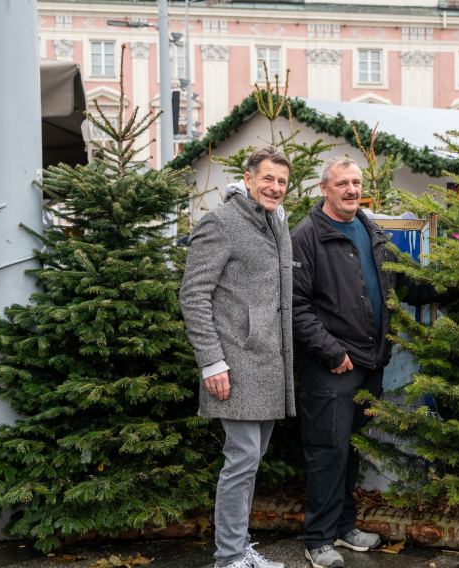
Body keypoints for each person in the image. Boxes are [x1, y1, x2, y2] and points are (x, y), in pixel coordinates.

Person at [291, 157, 456, 568]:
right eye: (342, 183)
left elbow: (403, 283)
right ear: (324, 189)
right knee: (327, 451)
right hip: (332, 366)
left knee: (351, 449)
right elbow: (295, 306)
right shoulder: (308, 236)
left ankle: (344, 528)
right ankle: (317, 539)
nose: (350, 190)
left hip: (370, 362)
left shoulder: (370, 229)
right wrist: (332, 352)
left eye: (356, 182)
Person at [180, 146, 296, 568]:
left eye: (282, 181)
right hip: (235, 364)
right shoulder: (222, 223)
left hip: (270, 362)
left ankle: (238, 548)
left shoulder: (275, 224)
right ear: (248, 178)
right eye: (268, 178)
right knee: (242, 460)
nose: (275, 187)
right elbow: (194, 294)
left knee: (250, 461)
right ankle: (228, 557)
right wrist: (211, 361)